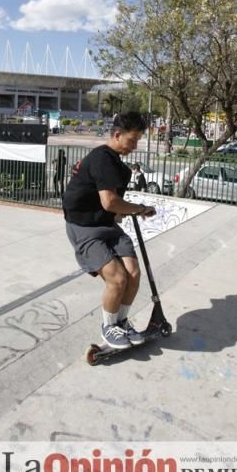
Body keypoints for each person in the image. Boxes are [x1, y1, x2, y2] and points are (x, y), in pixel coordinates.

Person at [62, 111, 156, 350]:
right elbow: (110, 202)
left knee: (133, 273)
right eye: (132, 140)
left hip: (106, 224)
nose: (134, 146)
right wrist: (140, 208)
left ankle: (121, 322)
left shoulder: (118, 166)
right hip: (84, 228)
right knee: (117, 278)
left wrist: (125, 213)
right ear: (117, 134)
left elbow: (112, 209)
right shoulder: (102, 159)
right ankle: (108, 327)